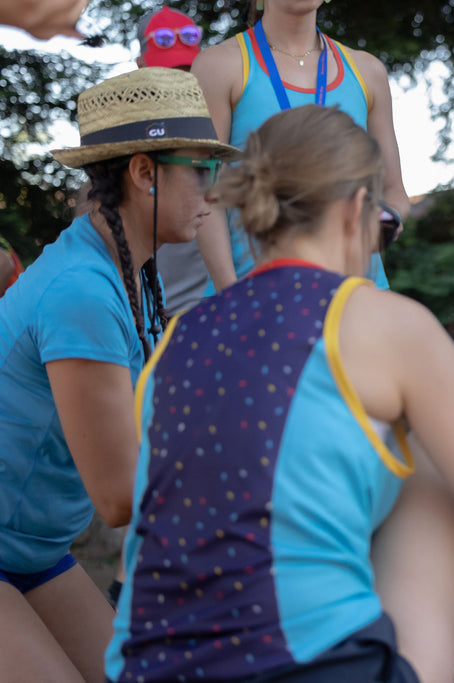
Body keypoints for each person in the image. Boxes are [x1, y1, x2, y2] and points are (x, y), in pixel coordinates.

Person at [103, 104, 454, 683]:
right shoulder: (387, 323)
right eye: (383, 227)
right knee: (442, 479)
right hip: (308, 666)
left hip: (144, 665)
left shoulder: (178, 339)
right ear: (358, 210)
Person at [0, 67, 235, 682]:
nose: (213, 193)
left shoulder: (125, 274)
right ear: (143, 172)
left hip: (32, 551)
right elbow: (120, 494)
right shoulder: (81, 289)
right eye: (202, 170)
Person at [190, 0, 409, 294]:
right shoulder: (218, 66)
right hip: (255, 294)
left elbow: (395, 192)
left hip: (357, 295)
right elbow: (204, 189)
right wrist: (231, 295)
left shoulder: (367, 71)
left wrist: (383, 219)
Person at [134, 6, 211, 314]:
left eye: (188, 70)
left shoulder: (222, 129)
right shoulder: (119, 143)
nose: (180, 81)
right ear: (140, 67)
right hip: (146, 325)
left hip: (212, 316)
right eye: (167, 72)